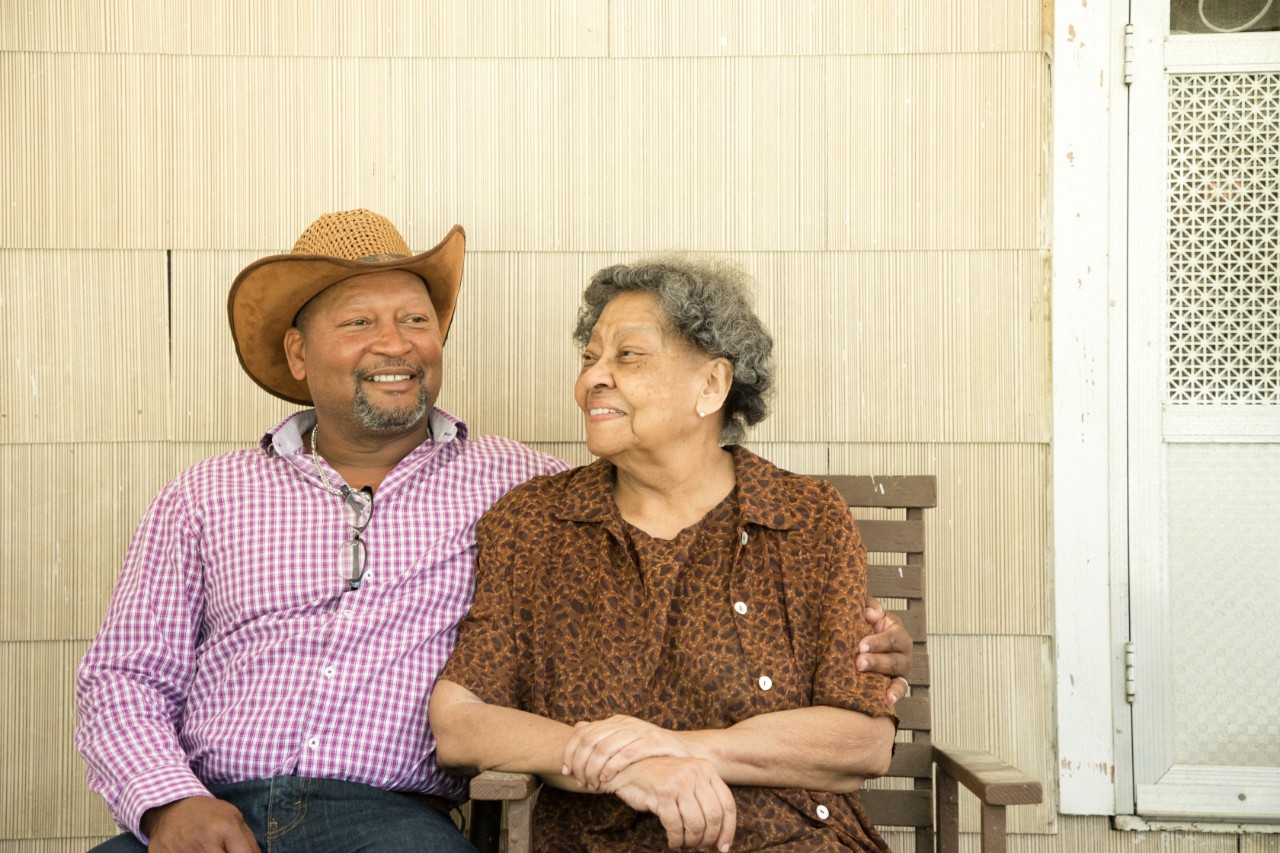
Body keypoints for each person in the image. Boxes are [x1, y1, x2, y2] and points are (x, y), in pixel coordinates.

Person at [76, 211, 912, 852]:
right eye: (358, 323)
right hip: (208, 805)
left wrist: (867, 651)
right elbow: (121, 676)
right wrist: (168, 799)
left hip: (389, 820)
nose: (394, 344)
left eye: (414, 319)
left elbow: (859, 722)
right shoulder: (204, 497)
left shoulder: (516, 487)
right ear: (298, 355)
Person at [431, 257, 900, 852]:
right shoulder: (536, 523)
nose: (592, 380)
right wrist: (624, 768)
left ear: (711, 386)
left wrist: (677, 749)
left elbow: (862, 741)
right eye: (589, 357)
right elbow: (461, 718)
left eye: (628, 356)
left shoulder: (802, 516)